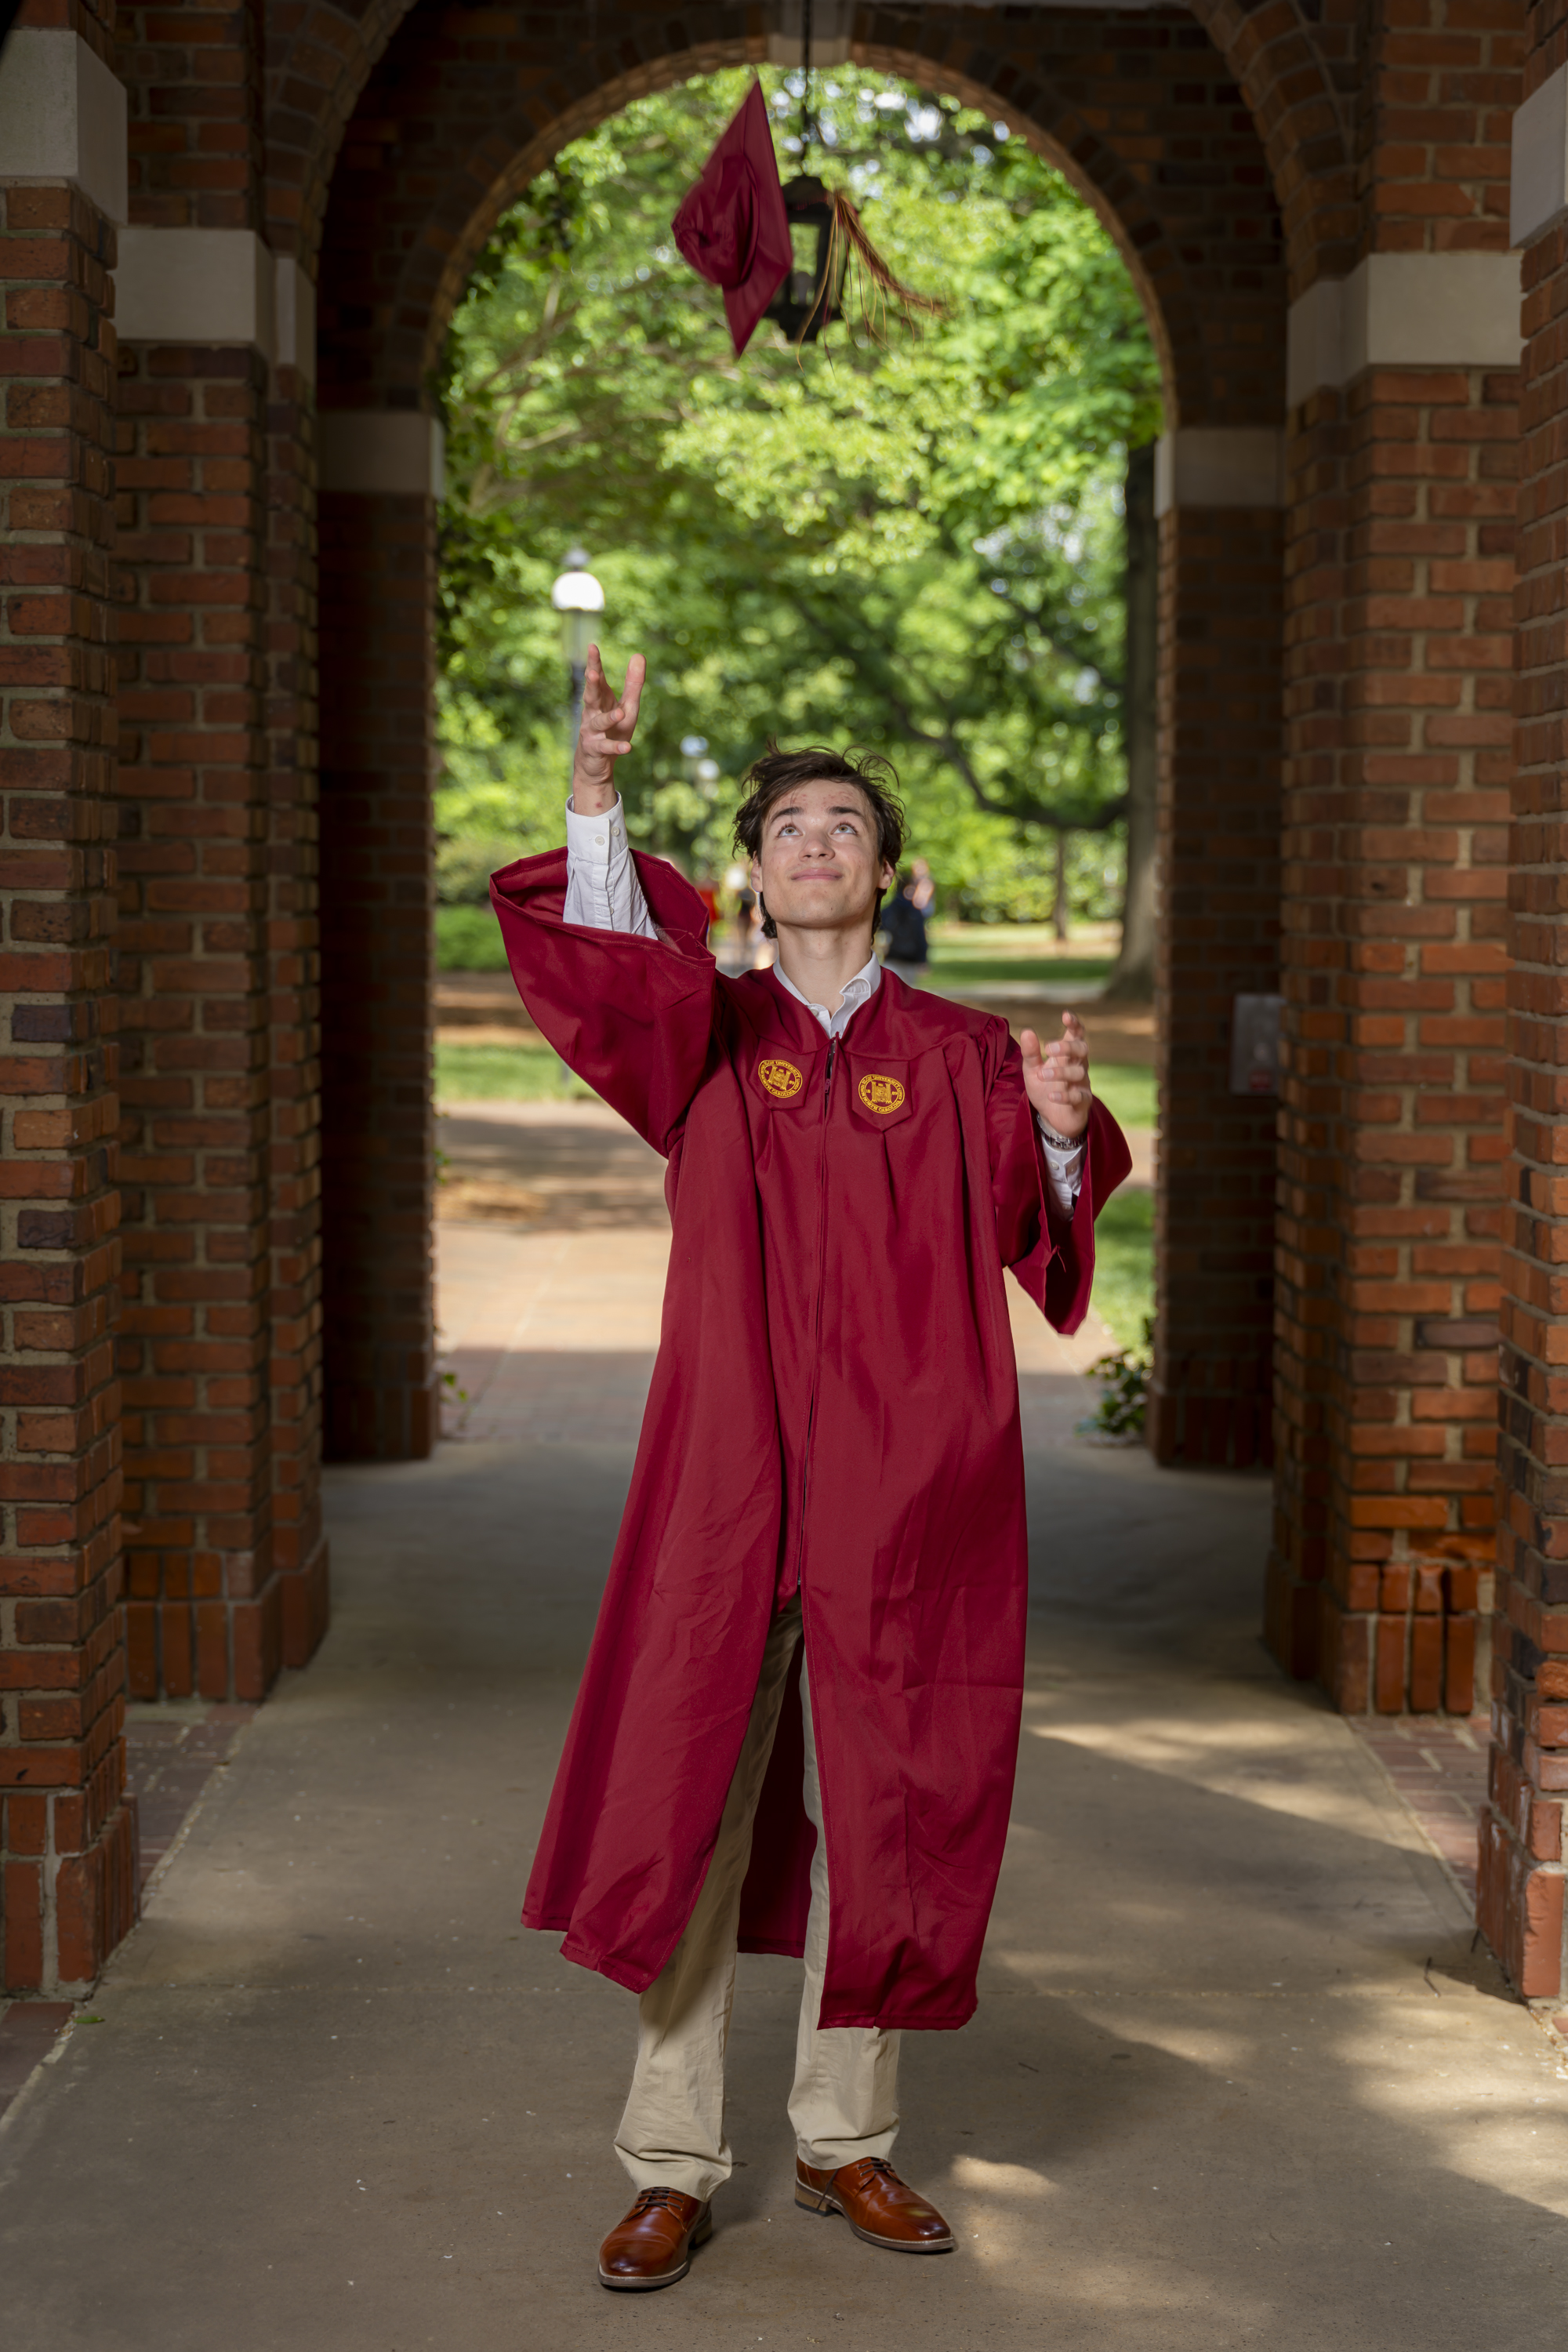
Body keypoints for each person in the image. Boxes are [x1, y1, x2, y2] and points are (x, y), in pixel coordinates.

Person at [491, 648, 1131, 2294]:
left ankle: (846, 2140)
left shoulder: (974, 1051)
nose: (817, 842)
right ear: (755, 866)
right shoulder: (700, 1034)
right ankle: (668, 2161)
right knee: (692, 1800)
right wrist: (594, 793)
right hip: (733, 1475)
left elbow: (1035, 1237)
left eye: (846, 822)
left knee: (888, 1806)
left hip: (913, 1485)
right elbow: (604, 970)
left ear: (884, 868)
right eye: (788, 822)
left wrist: (1061, 1128)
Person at [879, 864, 930, 985]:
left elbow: (881, 932)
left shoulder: (888, 910)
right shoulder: (916, 912)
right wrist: (923, 959)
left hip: (892, 957)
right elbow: (920, 936)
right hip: (910, 959)